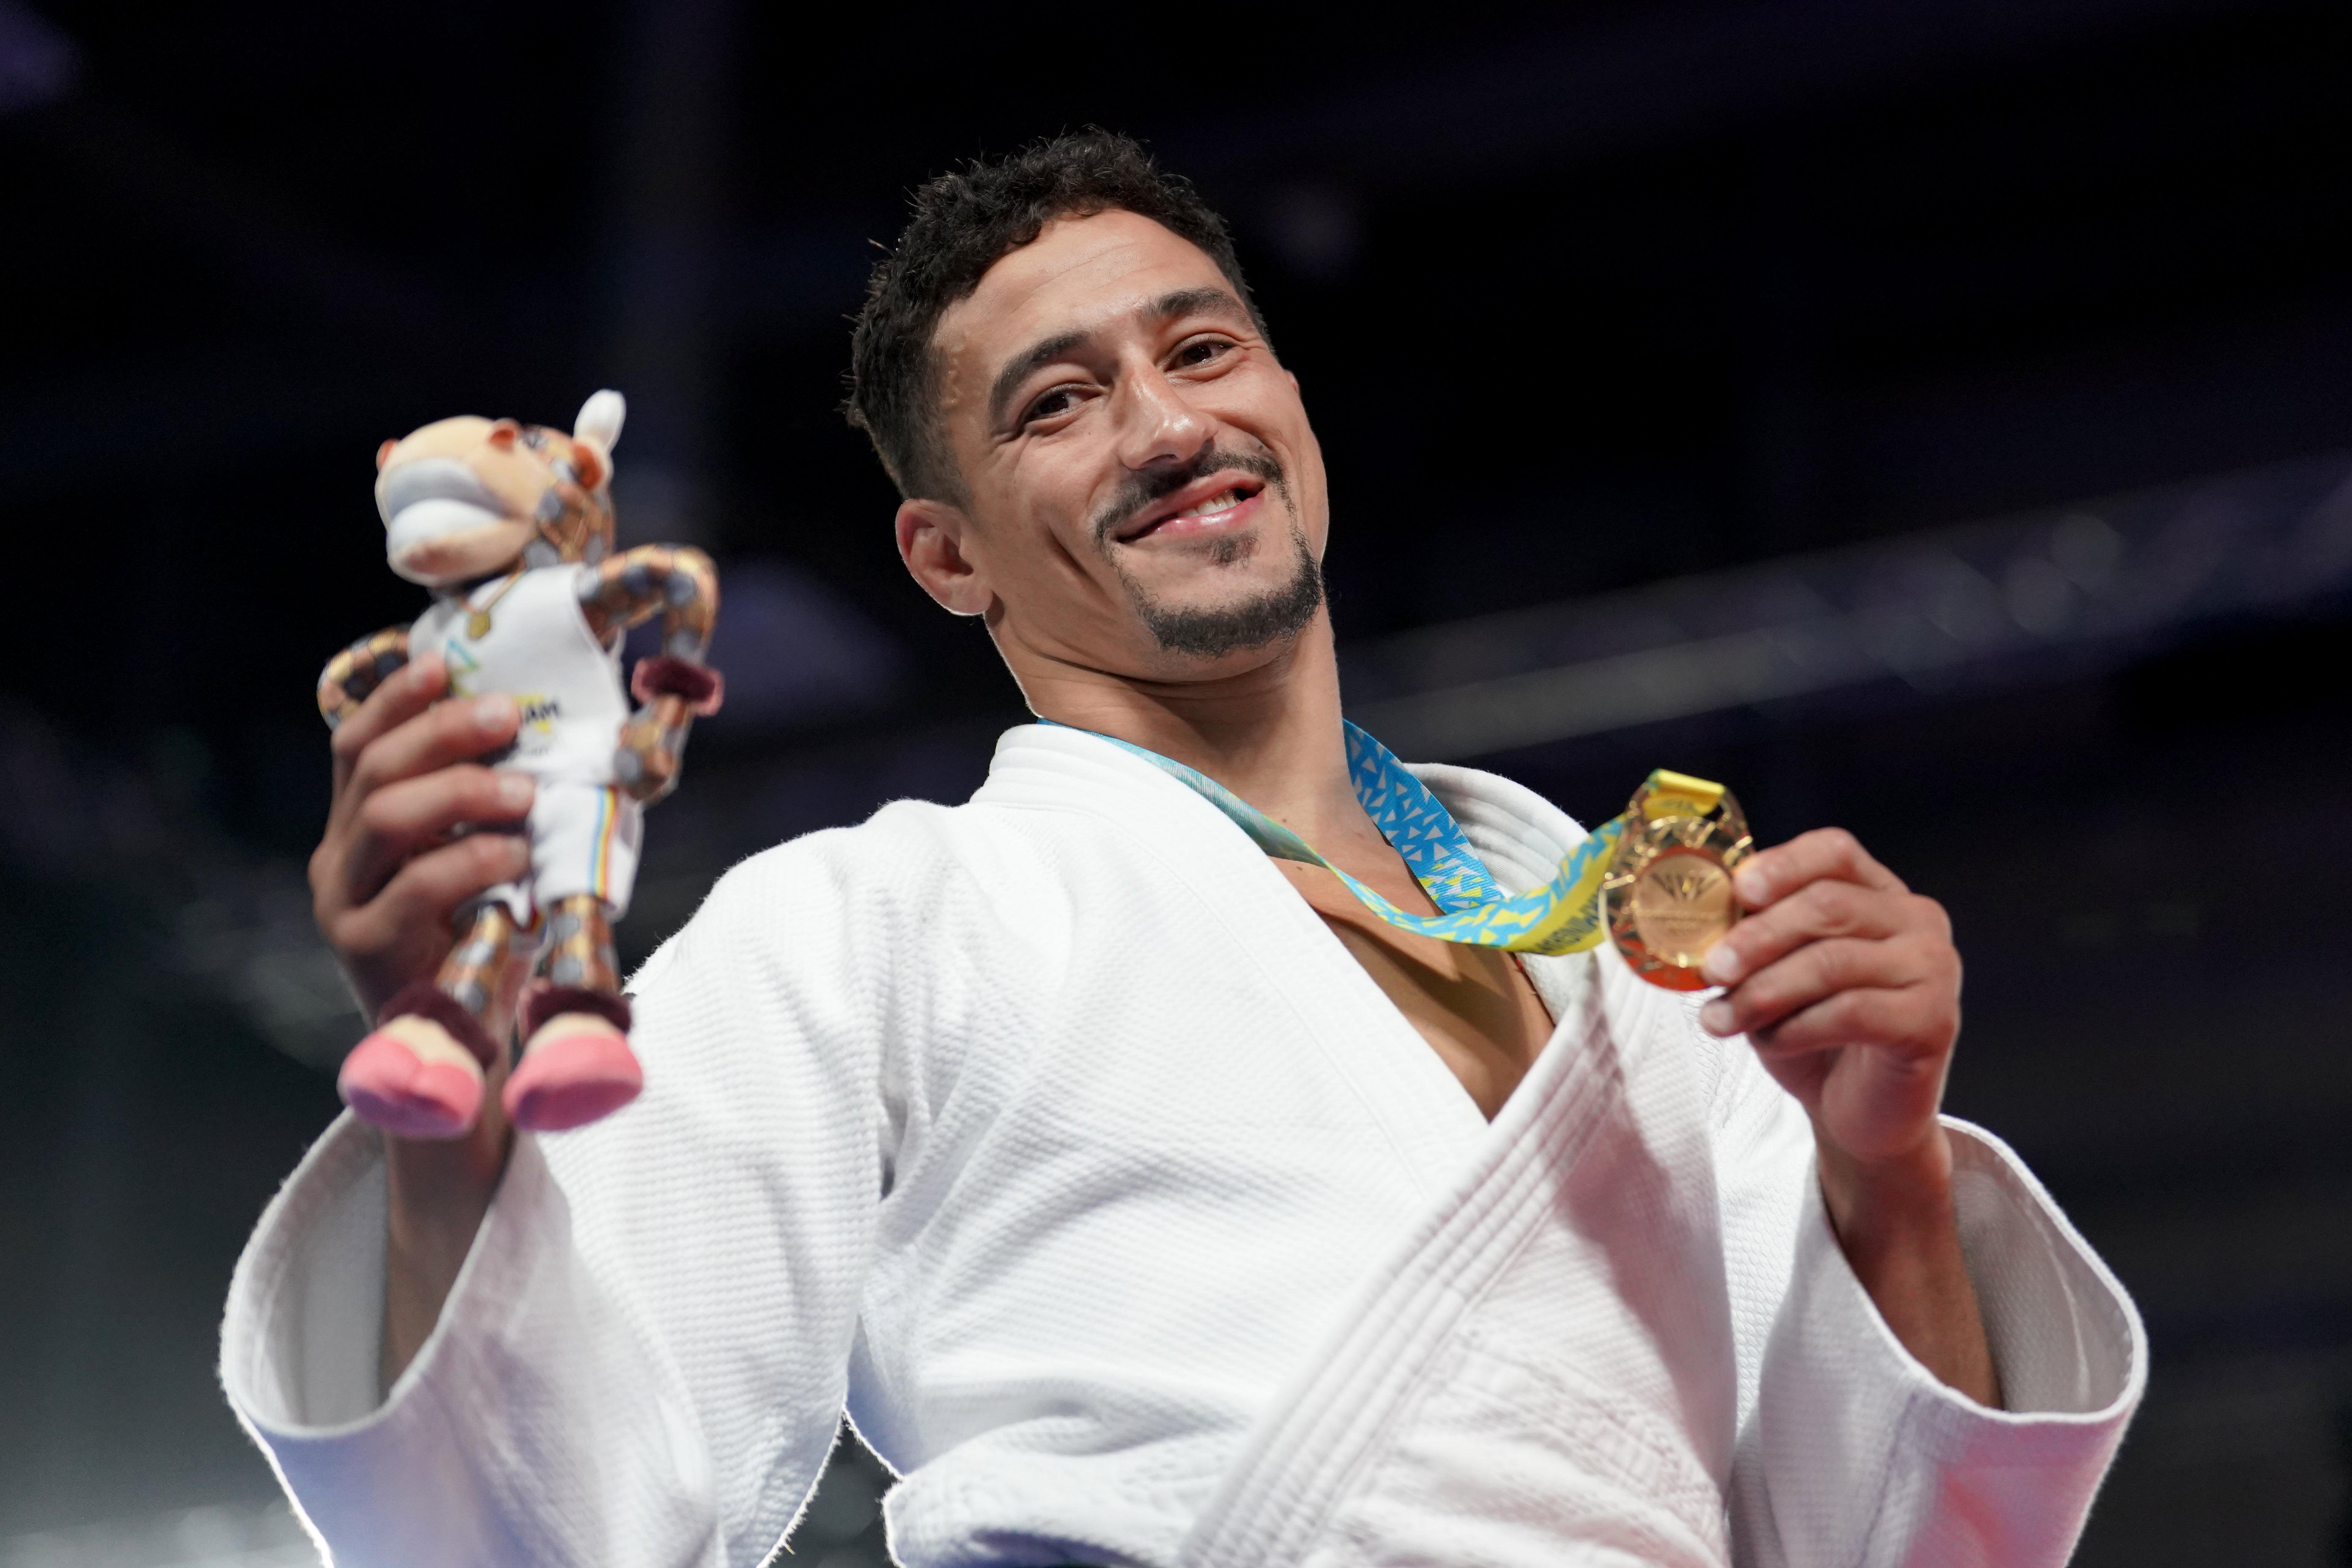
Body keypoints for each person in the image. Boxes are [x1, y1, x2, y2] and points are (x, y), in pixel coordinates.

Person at [221, 131, 2143, 1567]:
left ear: (1291, 407)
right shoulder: (884, 918)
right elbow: (553, 1518)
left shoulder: (1631, 944)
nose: (1165, 425)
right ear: (945, 554)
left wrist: (1882, 1172)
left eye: (1201, 351)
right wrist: (455, 1124)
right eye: (1058, 402)